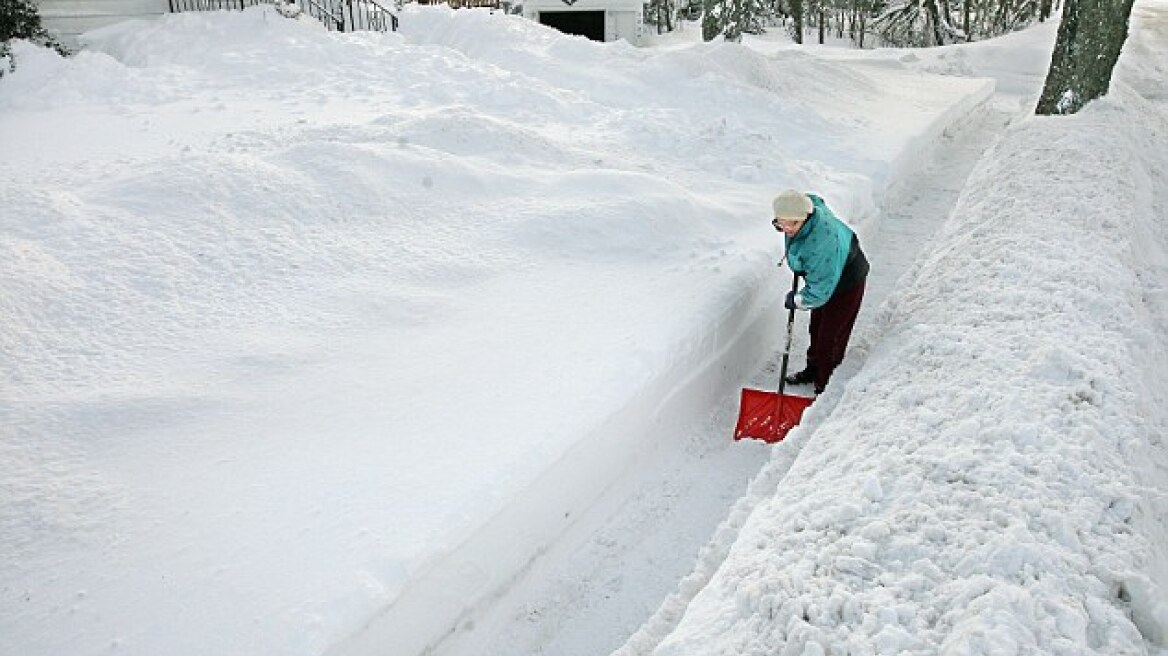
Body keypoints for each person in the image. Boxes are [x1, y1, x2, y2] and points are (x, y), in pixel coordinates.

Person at [771, 189, 869, 395]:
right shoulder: (803, 212)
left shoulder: (823, 242)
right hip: (824, 274)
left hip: (846, 281)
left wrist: (799, 300)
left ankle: (825, 384)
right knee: (816, 329)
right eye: (782, 223)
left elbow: (820, 291)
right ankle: (812, 371)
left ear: (805, 218)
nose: (787, 228)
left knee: (830, 337)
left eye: (793, 224)